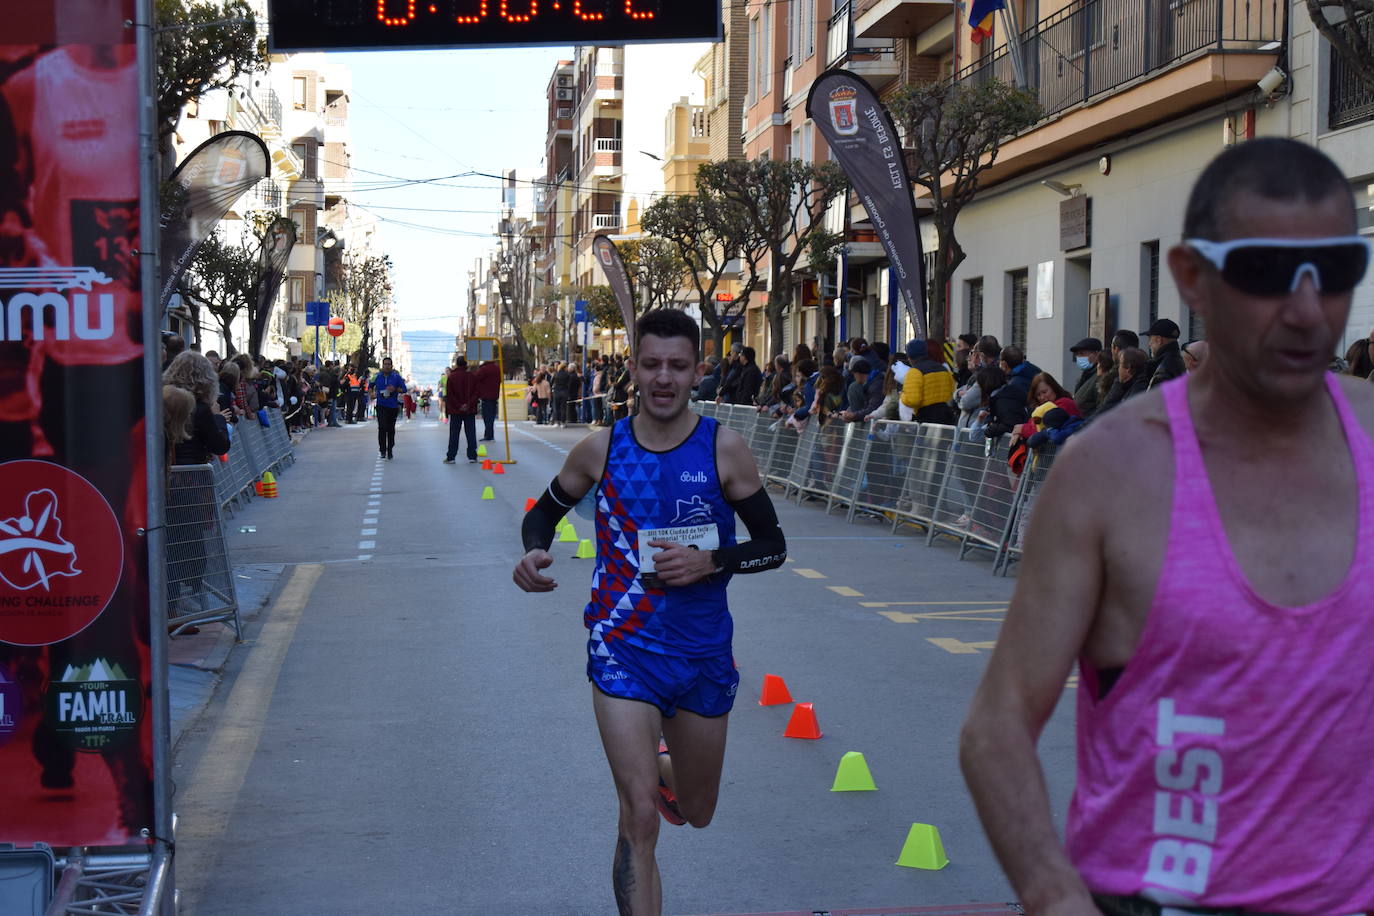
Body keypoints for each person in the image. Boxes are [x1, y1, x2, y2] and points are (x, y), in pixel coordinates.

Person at [960, 137, 1374, 915]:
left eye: (1338, 270)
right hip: (1151, 898)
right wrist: (1054, 896)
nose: (1307, 309)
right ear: (1192, 277)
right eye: (1265, 273)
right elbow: (997, 723)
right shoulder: (1110, 473)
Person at [512, 308, 787, 916]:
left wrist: (711, 561)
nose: (664, 378)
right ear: (633, 368)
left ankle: (669, 773)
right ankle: (647, 784)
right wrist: (534, 550)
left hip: (701, 653)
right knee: (638, 816)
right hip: (622, 648)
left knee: (697, 811)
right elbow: (543, 514)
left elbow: (774, 547)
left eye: (678, 366)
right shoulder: (602, 449)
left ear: (696, 372)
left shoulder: (723, 447)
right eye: (652, 364)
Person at [900, 339, 957, 424]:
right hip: (946, 418)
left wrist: (903, 395)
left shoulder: (915, 372)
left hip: (925, 419)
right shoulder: (943, 369)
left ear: (909, 357)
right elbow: (952, 390)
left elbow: (913, 400)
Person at [442, 357, 479, 464]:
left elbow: (450, 394)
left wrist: (459, 405)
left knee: (454, 434)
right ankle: (472, 456)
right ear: (466, 364)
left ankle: (451, 457)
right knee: (471, 433)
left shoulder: (452, 377)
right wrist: (468, 404)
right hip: (470, 410)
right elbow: (476, 392)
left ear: (457, 365)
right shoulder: (472, 376)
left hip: (455, 410)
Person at [370, 357, 405, 459]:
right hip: (381, 406)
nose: (387, 366)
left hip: (393, 406)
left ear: (391, 366)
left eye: (389, 364)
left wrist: (395, 389)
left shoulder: (396, 377)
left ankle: (390, 449)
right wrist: (371, 393)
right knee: (382, 427)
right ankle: (382, 450)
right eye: (385, 364)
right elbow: (370, 386)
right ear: (382, 365)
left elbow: (404, 389)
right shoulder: (376, 376)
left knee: (390, 429)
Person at [1142, 318, 1187, 389]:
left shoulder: (1163, 367)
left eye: (1150, 339)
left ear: (1159, 340)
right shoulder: (1178, 360)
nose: (1149, 344)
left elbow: (1156, 398)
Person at [1069, 337, 1103, 417]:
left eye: (1082, 354)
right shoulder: (1083, 377)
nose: (1078, 357)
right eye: (1077, 354)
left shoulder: (1100, 378)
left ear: (1097, 354)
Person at [475, 356, 501, 439]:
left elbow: (475, 378)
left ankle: (488, 435)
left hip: (485, 395)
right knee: (491, 416)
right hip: (494, 395)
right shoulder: (497, 369)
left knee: (487, 416)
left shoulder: (484, 369)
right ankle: (490, 434)